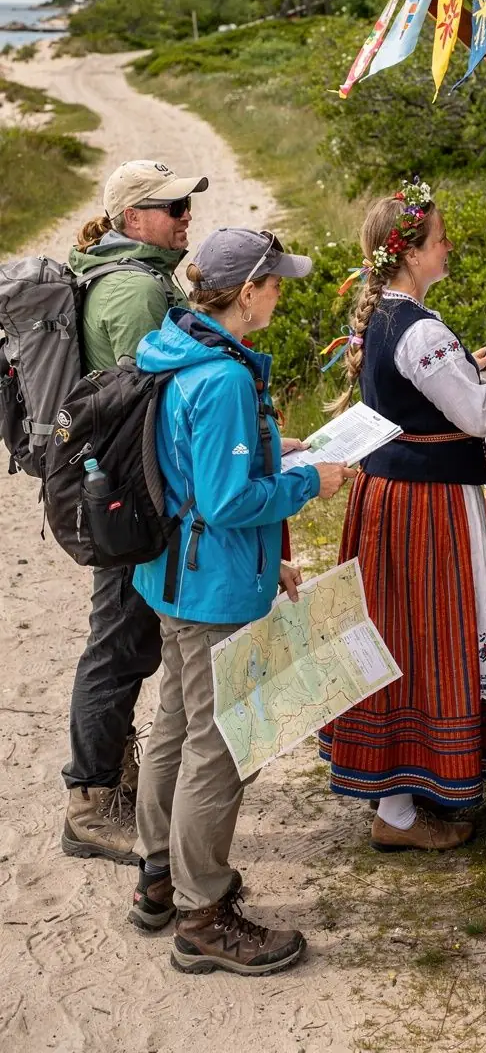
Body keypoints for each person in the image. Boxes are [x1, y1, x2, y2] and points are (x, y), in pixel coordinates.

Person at [127, 228, 353, 976]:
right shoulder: (223, 377)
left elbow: (192, 470)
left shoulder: (176, 345)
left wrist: (273, 474)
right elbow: (225, 501)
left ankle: (159, 878)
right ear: (247, 291)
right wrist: (308, 482)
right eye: (276, 283)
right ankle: (202, 915)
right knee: (220, 746)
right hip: (211, 589)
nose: (281, 294)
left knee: (177, 725)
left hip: (174, 576)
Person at [318, 179, 486, 852]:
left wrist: (468, 367)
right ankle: (398, 814)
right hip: (425, 507)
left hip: (392, 497)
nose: (449, 247)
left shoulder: (386, 315)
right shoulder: (420, 329)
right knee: (422, 638)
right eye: (439, 239)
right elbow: (479, 414)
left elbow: (426, 390)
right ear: (409, 254)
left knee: (398, 636)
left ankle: (398, 796)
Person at [62, 159, 208, 864]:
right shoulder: (134, 290)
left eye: (185, 204)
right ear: (132, 219)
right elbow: (154, 404)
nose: (185, 215)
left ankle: (111, 780)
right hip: (129, 496)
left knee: (125, 638)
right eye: (172, 206)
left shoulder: (137, 277)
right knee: (118, 642)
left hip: (123, 489)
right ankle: (90, 804)